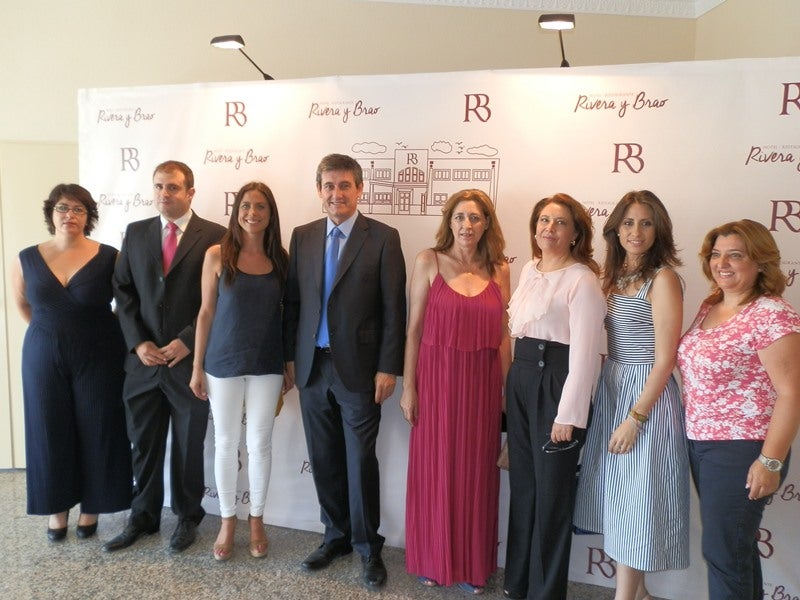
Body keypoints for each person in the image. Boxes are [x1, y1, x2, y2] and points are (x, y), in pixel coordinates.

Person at [283, 153, 407, 589]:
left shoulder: (384, 238)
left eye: (345, 185)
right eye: (329, 186)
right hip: (313, 367)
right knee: (323, 458)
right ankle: (334, 536)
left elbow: (394, 308)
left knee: (359, 461)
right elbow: (293, 303)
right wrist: (290, 358)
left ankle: (368, 547)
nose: (336, 194)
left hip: (360, 370)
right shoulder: (302, 236)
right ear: (319, 190)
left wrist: (388, 367)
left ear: (359, 189)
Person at [573, 190, 689, 600]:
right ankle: (639, 594)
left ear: (658, 231)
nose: (635, 231)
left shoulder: (664, 279)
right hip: (613, 387)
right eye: (628, 222)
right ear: (615, 229)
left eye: (645, 223)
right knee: (623, 500)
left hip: (647, 399)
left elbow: (665, 359)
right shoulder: (612, 276)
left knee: (639, 500)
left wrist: (636, 418)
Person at [105, 160, 226, 553]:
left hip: (188, 364)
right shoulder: (136, 232)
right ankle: (143, 517)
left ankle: (188, 517)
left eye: (173, 187)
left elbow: (221, 297)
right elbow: (123, 291)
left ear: (190, 192)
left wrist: (188, 340)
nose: (164, 193)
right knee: (143, 444)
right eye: (158, 186)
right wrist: (138, 342)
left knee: (189, 447)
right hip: (143, 363)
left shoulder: (216, 236)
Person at [677, 219, 800, 600]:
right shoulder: (711, 305)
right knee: (735, 549)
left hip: (743, 448)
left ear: (760, 262)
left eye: (735, 255)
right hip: (702, 443)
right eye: (716, 254)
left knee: (723, 553)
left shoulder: (771, 314)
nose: (722, 263)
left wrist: (771, 461)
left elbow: (792, 393)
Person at [401, 189, 511, 594]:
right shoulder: (428, 261)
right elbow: (413, 330)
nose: (467, 225)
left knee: (477, 476)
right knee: (435, 472)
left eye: (476, 218)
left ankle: (472, 566)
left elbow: (504, 335)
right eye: (460, 217)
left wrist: (508, 392)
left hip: (483, 387)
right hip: (436, 384)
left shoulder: (499, 269)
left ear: (486, 224)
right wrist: (409, 387)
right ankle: (432, 559)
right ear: (449, 221)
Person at [10, 183, 132, 541]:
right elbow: (22, 304)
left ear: (89, 216)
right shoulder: (26, 258)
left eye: (79, 209)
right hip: (42, 355)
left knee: (99, 426)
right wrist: (52, 331)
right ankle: (57, 509)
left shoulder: (110, 256)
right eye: (63, 208)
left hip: (99, 353)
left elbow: (125, 305)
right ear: (51, 213)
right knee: (48, 428)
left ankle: (93, 508)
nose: (70, 215)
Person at [503, 193, 606, 600]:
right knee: (524, 489)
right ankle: (517, 584)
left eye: (560, 222)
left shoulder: (583, 280)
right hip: (523, 376)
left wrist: (569, 415)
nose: (549, 228)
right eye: (544, 220)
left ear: (576, 233)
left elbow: (585, 355)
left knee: (551, 498)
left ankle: (545, 594)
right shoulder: (529, 269)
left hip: (558, 385)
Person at [190, 182, 289, 561]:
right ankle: (228, 519)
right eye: (246, 206)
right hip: (222, 363)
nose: (252, 213)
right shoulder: (217, 254)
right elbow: (205, 313)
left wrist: (289, 364)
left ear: (270, 214)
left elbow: (288, 315)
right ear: (237, 211)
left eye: (261, 207)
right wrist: (197, 367)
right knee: (226, 443)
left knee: (259, 444)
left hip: (267, 363)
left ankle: (257, 519)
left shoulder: (281, 259)